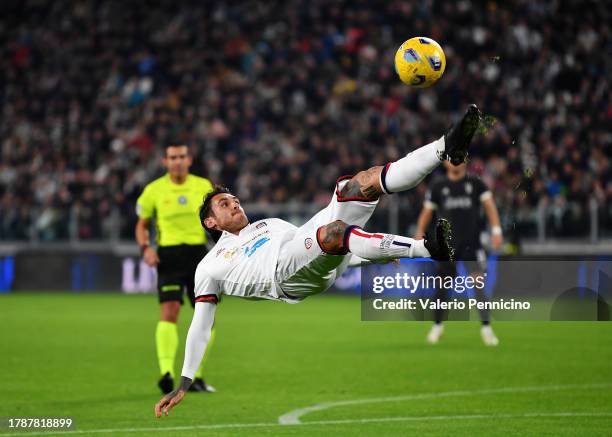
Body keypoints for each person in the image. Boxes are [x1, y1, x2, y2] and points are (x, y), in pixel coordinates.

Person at [154, 105, 481, 417]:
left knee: (357, 184)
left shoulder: (269, 225)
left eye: (234, 199)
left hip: (308, 254)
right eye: (224, 204)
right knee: (335, 232)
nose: (234, 203)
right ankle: (428, 249)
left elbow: (317, 250)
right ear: (211, 222)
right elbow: (201, 324)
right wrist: (184, 381)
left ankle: (445, 147)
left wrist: (372, 257)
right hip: (284, 278)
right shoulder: (209, 266)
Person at [135, 144, 216, 394]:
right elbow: (142, 224)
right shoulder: (153, 190)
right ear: (165, 161)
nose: (178, 161)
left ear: (189, 160)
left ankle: (196, 377)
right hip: (168, 255)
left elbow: (217, 219)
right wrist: (146, 248)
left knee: (205, 317)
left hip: (199, 256)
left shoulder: (204, 186)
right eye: (173, 157)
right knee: (169, 312)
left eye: (182, 157)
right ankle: (167, 372)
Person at [415, 160, 503, 346]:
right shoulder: (438, 186)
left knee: (478, 284)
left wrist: (496, 231)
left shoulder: (476, 183)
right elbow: (427, 212)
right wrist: (419, 234)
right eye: (452, 158)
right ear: (445, 162)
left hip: (472, 244)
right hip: (447, 245)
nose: (456, 161)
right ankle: (437, 326)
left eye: (460, 157)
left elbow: (489, 206)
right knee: (442, 287)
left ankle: (486, 328)